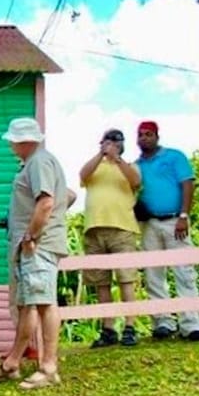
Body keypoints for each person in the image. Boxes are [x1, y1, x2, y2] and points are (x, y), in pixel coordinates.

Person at [0, 117, 69, 390]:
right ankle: (13, 361)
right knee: (27, 304)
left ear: (23, 141)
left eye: (13, 141)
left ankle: (48, 366)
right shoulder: (36, 162)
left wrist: (32, 235)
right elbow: (65, 196)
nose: (11, 145)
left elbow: (46, 202)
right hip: (33, 244)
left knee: (44, 302)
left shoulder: (39, 162)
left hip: (39, 245)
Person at [134, 120, 199, 341]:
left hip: (175, 221)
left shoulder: (174, 157)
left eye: (148, 134)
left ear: (157, 136)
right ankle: (163, 322)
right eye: (141, 135)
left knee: (184, 271)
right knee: (154, 274)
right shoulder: (136, 166)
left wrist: (184, 215)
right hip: (149, 224)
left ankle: (191, 324)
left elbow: (187, 184)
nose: (144, 138)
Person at [79, 129, 142, 347]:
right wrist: (101, 155)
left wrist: (117, 159)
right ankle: (108, 328)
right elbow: (83, 175)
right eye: (108, 141)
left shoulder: (130, 166)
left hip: (122, 228)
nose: (112, 144)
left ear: (123, 144)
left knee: (126, 279)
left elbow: (135, 182)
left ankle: (130, 327)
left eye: (116, 141)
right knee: (100, 282)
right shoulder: (95, 166)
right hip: (94, 229)